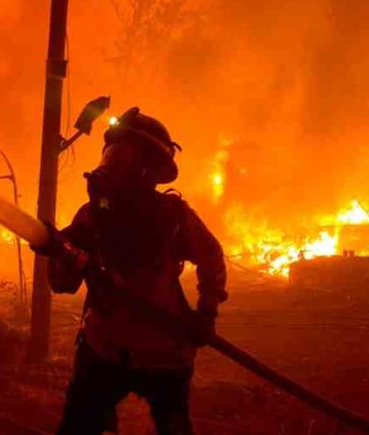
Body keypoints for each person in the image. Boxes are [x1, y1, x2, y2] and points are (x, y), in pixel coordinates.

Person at [33, 107, 228, 435]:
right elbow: (64, 284)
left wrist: (205, 313)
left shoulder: (173, 217)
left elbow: (212, 258)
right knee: (79, 426)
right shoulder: (93, 216)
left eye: (124, 156)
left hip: (164, 352)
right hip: (105, 347)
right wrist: (60, 253)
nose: (112, 165)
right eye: (112, 154)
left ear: (148, 168)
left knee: (174, 426)